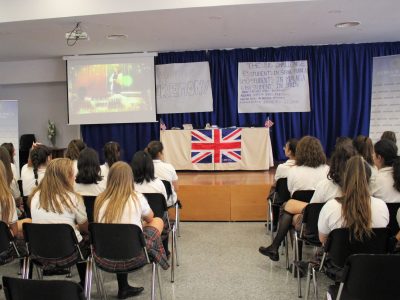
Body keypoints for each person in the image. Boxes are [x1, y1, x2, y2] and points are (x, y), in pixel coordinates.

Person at [259, 141, 356, 261]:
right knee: (290, 207)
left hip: (315, 223)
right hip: (342, 225)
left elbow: (294, 193)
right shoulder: (328, 171)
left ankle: (286, 252)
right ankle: (276, 248)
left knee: (288, 208)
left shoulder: (296, 172)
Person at [94, 162, 168, 299]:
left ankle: (123, 287)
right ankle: (157, 254)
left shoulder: (99, 199)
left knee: (117, 234)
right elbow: (150, 216)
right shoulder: (136, 197)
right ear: (130, 178)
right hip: (136, 255)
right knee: (157, 220)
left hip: (103, 255)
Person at [29, 158, 88, 287]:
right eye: (73, 174)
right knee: (85, 239)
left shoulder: (35, 196)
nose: (75, 176)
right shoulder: (73, 198)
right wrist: (75, 227)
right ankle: (84, 284)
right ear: (66, 177)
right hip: (68, 253)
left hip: (39, 252)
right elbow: (84, 227)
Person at [318, 155, 389, 244]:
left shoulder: (330, 206)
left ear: (345, 179)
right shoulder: (382, 206)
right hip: (373, 258)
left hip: (340, 257)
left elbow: (323, 239)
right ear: (369, 179)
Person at [145, 141, 178, 207]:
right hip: (166, 201)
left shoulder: (143, 168)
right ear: (159, 153)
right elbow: (176, 188)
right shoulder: (169, 167)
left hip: (146, 201)